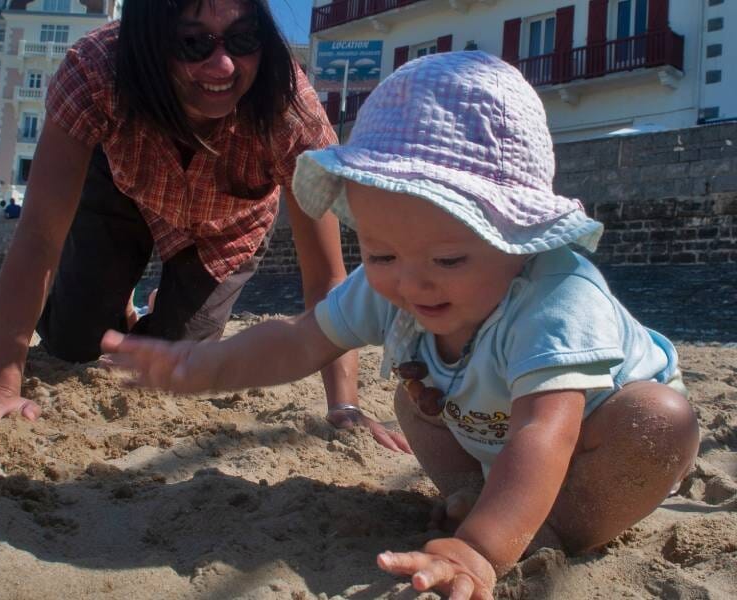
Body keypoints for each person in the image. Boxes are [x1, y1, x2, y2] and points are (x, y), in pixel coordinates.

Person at [101, 52, 699, 599]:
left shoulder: (558, 297)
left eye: (449, 260)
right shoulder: (395, 283)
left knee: (661, 421)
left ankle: (553, 526)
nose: (412, 283)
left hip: (597, 444)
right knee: (415, 400)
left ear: (519, 239)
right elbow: (299, 339)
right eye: (381, 254)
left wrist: (479, 551)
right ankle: (472, 493)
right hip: (486, 429)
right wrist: (203, 364)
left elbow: (546, 431)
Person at [0, 0, 408, 452]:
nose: (223, 65)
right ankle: (118, 305)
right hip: (122, 189)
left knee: (173, 366)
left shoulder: (289, 109)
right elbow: (37, 236)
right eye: (193, 43)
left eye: (243, 38)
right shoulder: (95, 71)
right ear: (147, 46)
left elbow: (327, 278)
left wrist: (344, 406)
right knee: (73, 344)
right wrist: (0, 384)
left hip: (226, 231)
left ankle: (156, 308)